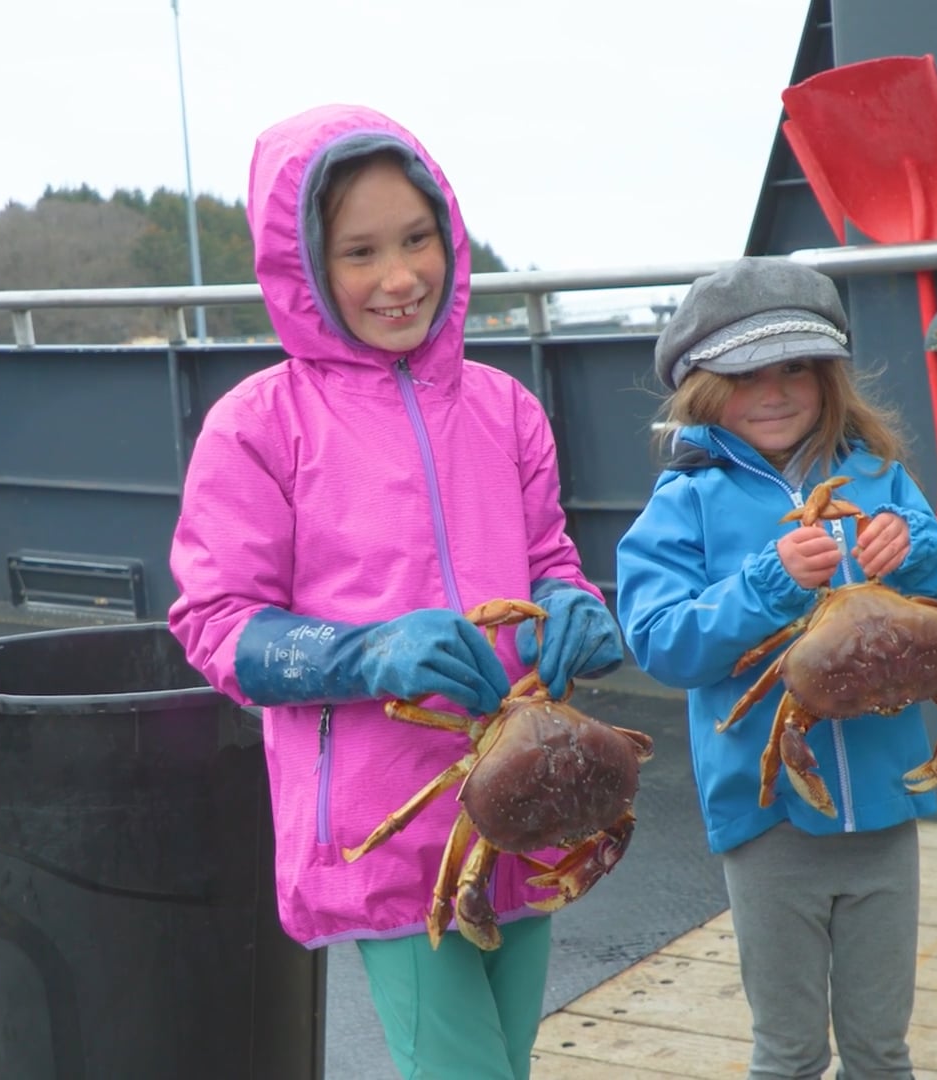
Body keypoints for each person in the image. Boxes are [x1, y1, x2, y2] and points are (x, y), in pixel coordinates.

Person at [165, 104, 623, 1080]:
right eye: (360, 251)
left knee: (508, 1059)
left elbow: (549, 558)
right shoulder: (256, 427)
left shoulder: (509, 409)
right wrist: (366, 651)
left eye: (417, 238)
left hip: (530, 803)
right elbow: (216, 625)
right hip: (388, 829)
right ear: (304, 271)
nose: (400, 276)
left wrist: (574, 603)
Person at [614, 257, 937, 1080]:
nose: (773, 392)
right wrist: (768, 582)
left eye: (795, 370)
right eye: (745, 375)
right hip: (767, 816)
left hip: (886, 808)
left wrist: (917, 553)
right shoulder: (686, 503)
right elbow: (662, 641)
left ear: (829, 377)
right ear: (704, 387)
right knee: (788, 1051)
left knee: (883, 1049)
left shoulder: (880, 478)